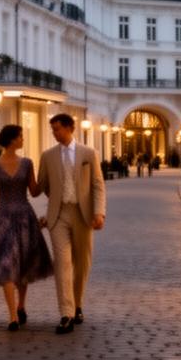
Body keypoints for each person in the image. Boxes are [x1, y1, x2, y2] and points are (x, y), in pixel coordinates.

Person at [0, 124, 53, 331]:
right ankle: (13, 316)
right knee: (7, 266)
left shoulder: (27, 163)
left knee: (22, 264)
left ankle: (21, 306)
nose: (23, 140)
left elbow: (34, 191)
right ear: (12, 140)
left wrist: (46, 178)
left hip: (23, 218)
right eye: (20, 137)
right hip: (7, 218)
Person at [38, 113, 106, 335]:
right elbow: (44, 185)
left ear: (69, 128)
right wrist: (55, 203)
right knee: (62, 263)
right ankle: (65, 313)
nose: (54, 133)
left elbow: (98, 185)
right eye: (52, 129)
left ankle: (77, 304)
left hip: (83, 214)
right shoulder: (47, 156)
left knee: (82, 263)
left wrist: (99, 212)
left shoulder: (89, 153)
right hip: (58, 216)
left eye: (57, 129)